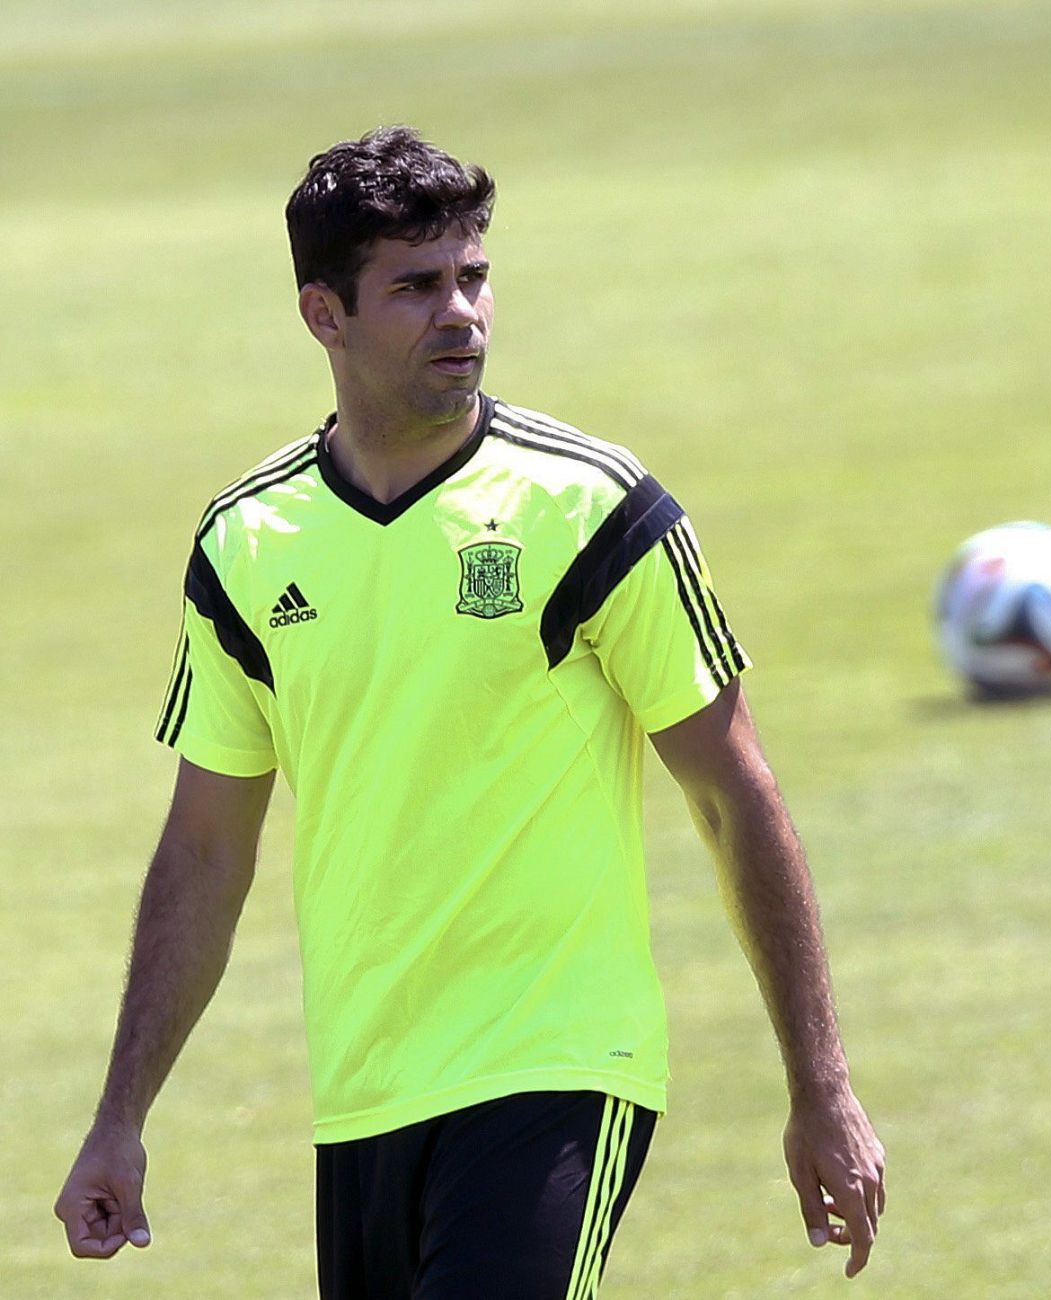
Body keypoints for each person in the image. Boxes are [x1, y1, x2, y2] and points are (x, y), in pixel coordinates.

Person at [55, 125, 885, 1297]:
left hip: (556, 1064)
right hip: (366, 1094)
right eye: (416, 287)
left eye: (473, 277)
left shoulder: (591, 508)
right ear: (322, 314)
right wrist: (120, 1114)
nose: (463, 314)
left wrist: (821, 1084)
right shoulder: (245, 545)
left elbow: (731, 792)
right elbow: (203, 849)